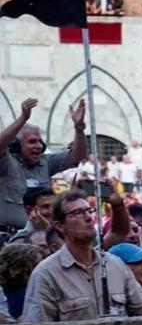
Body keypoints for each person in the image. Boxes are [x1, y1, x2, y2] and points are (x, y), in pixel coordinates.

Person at [21, 191, 142, 322]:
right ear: (60, 226)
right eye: (78, 212)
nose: (89, 217)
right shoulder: (46, 274)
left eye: (89, 211)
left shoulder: (115, 265)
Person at [0, 97, 88, 235]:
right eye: (32, 142)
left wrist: (79, 128)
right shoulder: (6, 163)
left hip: (41, 235)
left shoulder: (46, 162)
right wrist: (23, 118)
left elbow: (78, 156)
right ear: (17, 145)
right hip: (9, 237)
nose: (38, 146)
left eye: (40, 142)